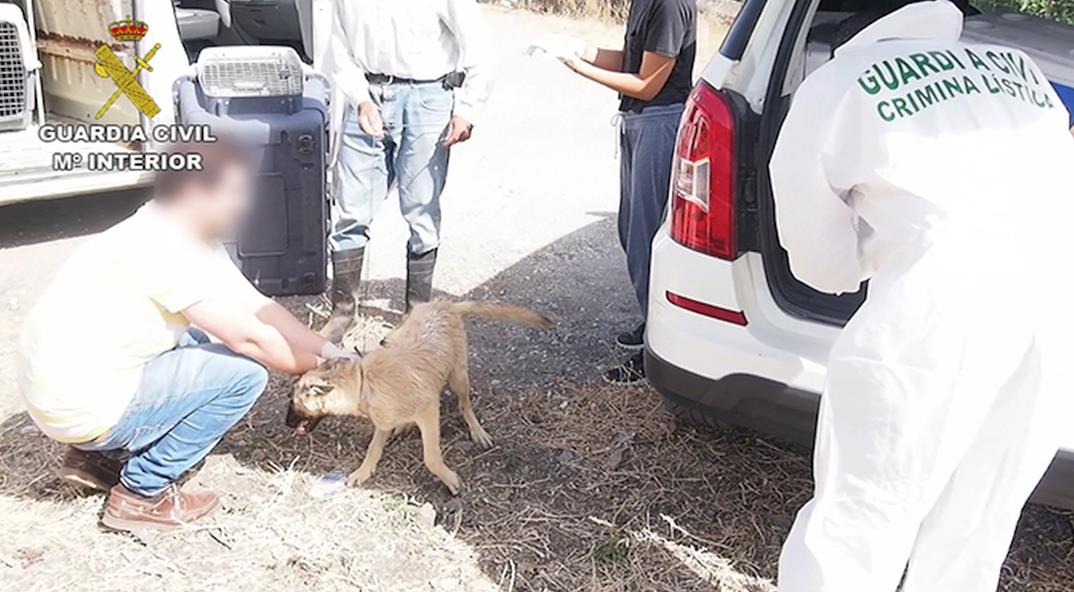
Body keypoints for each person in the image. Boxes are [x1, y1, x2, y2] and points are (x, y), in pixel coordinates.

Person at [769, 2, 1074, 591]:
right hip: (1054, 310)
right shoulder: (1016, 66)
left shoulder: (836, 85)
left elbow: (817, 260)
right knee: (978, 525)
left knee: (860, 520)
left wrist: (866, 255)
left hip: (935, 319)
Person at [16, 140, 356, 532]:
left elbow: (258, 306)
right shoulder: (168, 246)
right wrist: (330, 377)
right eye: (234, 193)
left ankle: (97, 459)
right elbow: (251, 340)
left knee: (191, 340)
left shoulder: (170, 226)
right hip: (80, 405)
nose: (243, 205)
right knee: (244, 375)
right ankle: (142, 494)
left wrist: (333, 353)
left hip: (65, 392)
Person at [321, 0, 494, 341]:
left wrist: (468, 109)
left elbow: (479, 49)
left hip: (428, 97)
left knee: (421, 211)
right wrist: (361, 99)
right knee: (351, 210)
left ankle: (416, 318)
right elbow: (339, 48)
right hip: (368, 95)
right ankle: (342, 313)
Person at [556, 0, 696, 384]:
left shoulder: (669, 6)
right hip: (639, 122)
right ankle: (653, 322)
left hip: (659, 122)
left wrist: (578, 67)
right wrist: (580, 49)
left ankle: (659, 348)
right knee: (630, 229)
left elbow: (647, 85)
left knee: (647, 236)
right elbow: (634, 60)